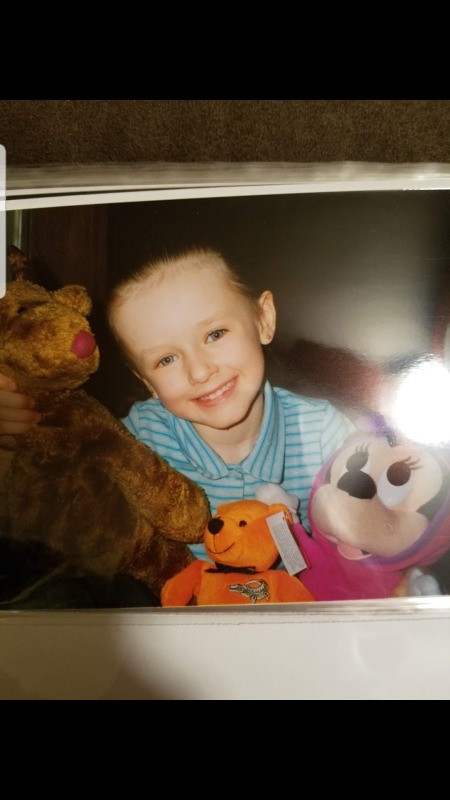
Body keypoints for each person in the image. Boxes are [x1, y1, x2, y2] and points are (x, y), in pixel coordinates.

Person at [0, 247, 354, 562]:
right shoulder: (133, 441)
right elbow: (49, 513)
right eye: (166, 360)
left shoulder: (324, 435)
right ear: (146, 382)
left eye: (215, 334)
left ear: (264, 320)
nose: (199, 371)